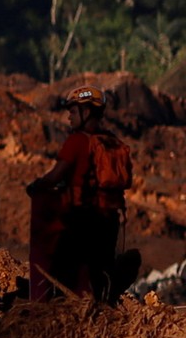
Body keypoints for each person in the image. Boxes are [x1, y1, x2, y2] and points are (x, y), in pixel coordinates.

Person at [27, 85, 134, 303]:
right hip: (110, 219)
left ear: (87, 113)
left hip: (82, 218)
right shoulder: (113, 141)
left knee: (49, 258)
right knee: (99, 269)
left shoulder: (77, 141)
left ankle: (42, 306)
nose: (69, 117)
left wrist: (36, 186)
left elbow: (55, 176)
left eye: (73, 112)